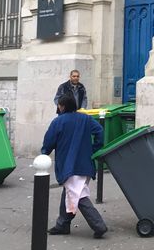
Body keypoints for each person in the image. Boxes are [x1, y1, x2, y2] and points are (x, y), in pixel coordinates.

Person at [41, 94, 108, 238]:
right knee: (70, 191)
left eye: (59, 104)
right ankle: (62, 224)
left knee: (78, 195)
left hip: (68, 165)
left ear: (62, 106)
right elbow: (99, 132)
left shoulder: (58, 122)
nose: (58, 107)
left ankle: (99, 225)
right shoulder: (85, 118)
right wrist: (94, 148)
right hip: (85, 163)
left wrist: (44, 153)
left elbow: (48, 141)